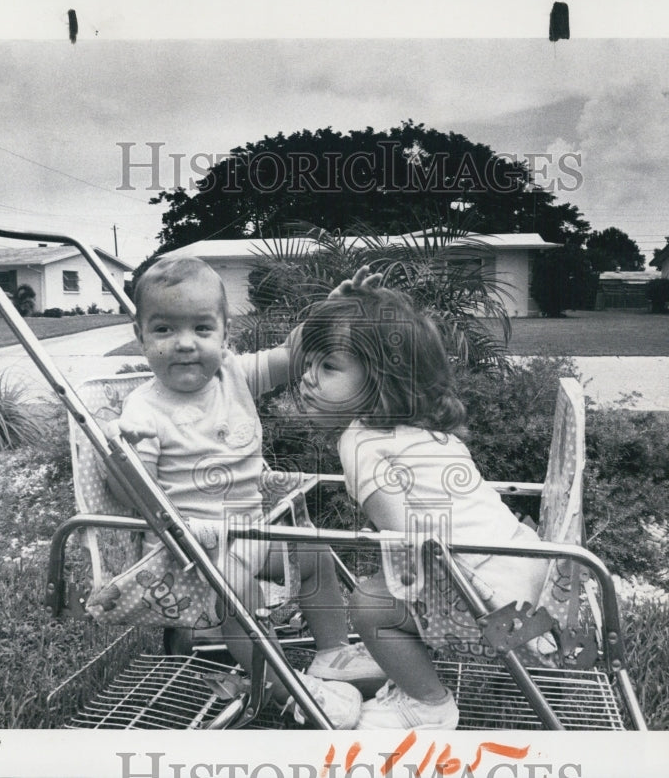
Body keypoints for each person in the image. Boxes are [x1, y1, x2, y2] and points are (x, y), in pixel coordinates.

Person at [101, 255, 381, 728]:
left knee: (310, 549)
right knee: (238, 592)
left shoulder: (232, 374)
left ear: (225, 333)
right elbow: (137, 500)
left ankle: (333, 652)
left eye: (202, 329)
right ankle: (281, 686)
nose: (185, 344)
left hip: (250, 530)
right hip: (191, 552)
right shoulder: (143, 411)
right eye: (165, 330)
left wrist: (330, 312)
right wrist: (121, 460)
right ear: (140, 333)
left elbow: (290, 356)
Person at [294, 284, 548, 730]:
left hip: (491, 611)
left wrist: (383, 575)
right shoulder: (425, 432)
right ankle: (408, 674)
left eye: (328, 366)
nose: (308, 377)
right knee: (391, 590)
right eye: (308, 363)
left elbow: (409, 548)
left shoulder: (360, 443)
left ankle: (427, 704)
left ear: (381, 381)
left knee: (372, 604)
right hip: (531, 591)